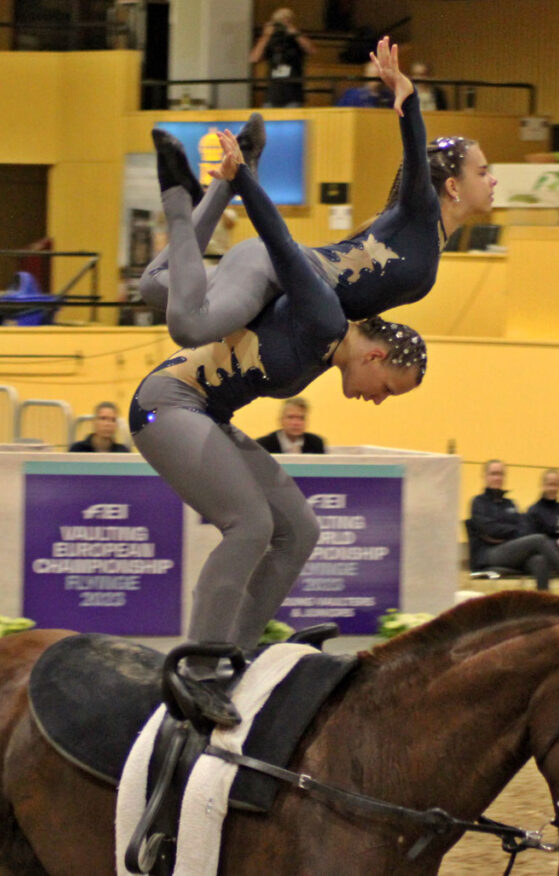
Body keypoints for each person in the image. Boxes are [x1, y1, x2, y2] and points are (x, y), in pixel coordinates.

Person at [132, 123, 426, 724]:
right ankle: (199, 666)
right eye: (387, 390)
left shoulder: (333, 345)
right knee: (250, 524)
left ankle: (237, 655)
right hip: (164, 404)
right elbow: (284, 247)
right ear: (374, 356)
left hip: (206, 411)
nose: (378, 401)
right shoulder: (325, 320)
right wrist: (246, 181)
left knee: (300, 530)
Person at [140, 37, 497, 349]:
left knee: (154, 285)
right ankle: (182, 197)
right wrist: (410, 100)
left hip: (279, 278)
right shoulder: (421, 215)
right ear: (452, 186)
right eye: (482, 172)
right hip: (272, 271)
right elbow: (416, 157)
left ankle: (225, 182)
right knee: (189, 327)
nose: (493, 180)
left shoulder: (426, 237)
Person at [468, 460, 559, 597]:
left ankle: (544, 600)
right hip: (489, 553)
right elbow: (489, 529)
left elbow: (521, 528)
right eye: (493, 474)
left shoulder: (510, 503)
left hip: (511, 550)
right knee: (538, 539)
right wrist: (512, 531)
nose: (498, 478)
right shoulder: (478, 502)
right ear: (485, 476)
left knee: (539, 560)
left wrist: (509, 532)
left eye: (501, 474)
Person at [249, 8, 315, 108]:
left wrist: (295, 33)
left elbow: (311, 50)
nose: (282, 25)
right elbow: (253, 58)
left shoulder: (296, 41)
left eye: (286, 20)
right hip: (272, 97)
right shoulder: (271, 42)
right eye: (279, 21)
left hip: (293, 97)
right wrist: (266, 36)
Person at [256, 397, 326, 454]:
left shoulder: (316, 443)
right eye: (291, 417)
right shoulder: (263, 445)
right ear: (281, 420)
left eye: (301, 418)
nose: (296, 423)